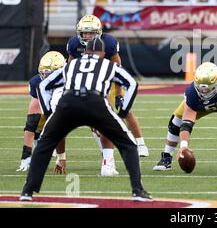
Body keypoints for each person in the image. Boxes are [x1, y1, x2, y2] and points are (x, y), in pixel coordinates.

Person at [20, 38, 152, 202]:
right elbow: (132, 84)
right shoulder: (108, 65)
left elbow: (43, 86)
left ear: (85, 52)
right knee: (129, 145)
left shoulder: (71, 65)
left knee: (44, 145)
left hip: (69, 103)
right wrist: (123, 111)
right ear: (103, 54)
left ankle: (27, 191)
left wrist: (48, 112)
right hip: (95, 103)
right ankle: (137, 191)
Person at [66, 15, 150, 175]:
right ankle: (105, 153)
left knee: (124, 110)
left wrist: (118, 93)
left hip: (108, 79)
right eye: (84, 33)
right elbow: (70, 66)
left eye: (91, 33)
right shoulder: (74, 44)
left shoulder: (109, 43)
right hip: (88, 83)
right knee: (93, 119)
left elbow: (118, 66)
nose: (87, 36)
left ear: (99, 32)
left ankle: (140, 144)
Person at [17, 51, 66, 173]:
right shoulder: (37, 82)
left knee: (97, 127)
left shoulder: (73, 79)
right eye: (44, 74)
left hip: (76, 104)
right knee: (36, 123)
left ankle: (107, 160)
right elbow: (31, 121)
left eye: (49, 74)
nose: (45, 77)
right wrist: (26, 155)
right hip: (54, 108)